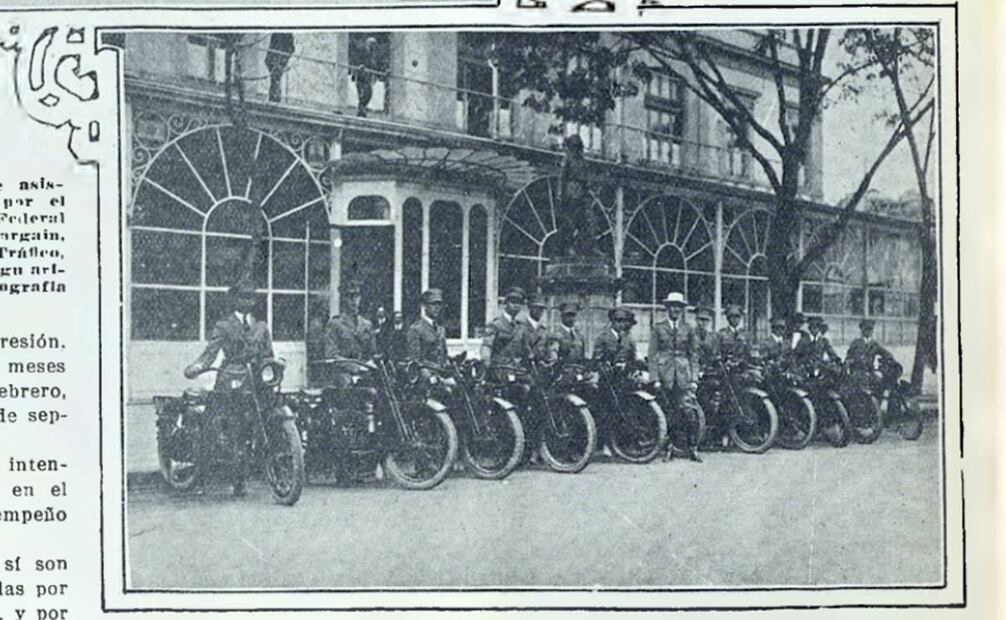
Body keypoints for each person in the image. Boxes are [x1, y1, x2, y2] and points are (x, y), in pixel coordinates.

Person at [183, 282, 273, 496]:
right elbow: (211, 352)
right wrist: (197, 367)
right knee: (215, 424)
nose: (247, 301)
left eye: (250, 297)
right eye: (242, 297)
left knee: (264, 417)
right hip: (230, 379)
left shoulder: (261, 326)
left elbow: (269, 353)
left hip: (255, 381)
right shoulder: (224, 325)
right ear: (234, 300)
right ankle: (202, 477)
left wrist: (273, 366)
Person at [648, 291, 702, 462]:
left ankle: (692, 447)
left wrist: (694, 379)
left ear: (682, 310)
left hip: (684, 375)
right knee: (668, 413)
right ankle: (669, 448)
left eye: (678, 307)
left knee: (689, 412)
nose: (675, 310)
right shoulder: (658, 328)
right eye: (672, 307)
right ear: (667, 309)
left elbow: (694, 355)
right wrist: (655, 378)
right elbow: (652, 354)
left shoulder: (689, 329)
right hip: (665, 376)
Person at [324, 279, 377, 386]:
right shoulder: (335, 324)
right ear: (343, 299)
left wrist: (371, 363)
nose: (354, 300)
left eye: (357, 296)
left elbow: (372, 353)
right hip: (343, 375)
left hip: (366, 374)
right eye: (350, 296)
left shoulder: (367, 325)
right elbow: (331, 355)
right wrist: (356, 367)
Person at [556, 134, 601, 257]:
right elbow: (562, 177)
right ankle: (569, 247)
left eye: (578, 146)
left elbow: (587, 178)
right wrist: (560, 194)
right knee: (570, 221)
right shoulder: (568, 160)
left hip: (582, 192)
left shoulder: (583, 161)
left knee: (589, 220)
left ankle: (590, 247)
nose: (576, 149)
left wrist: (590, 186)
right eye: (574, 146)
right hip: (572, 191)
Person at [481, 287, 528, 368]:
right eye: (513, 302)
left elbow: (526, 349)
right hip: (499, 369)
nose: (516, 306)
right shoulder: (495, 325)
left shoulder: (521, 327)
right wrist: (486, 360)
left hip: (517, 369)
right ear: (505, 304)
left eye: (519, 303)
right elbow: (486, 346)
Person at [406, 289, 449, 368]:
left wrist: (447, 363)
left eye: (439, 304)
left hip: (442, 372)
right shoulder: (416, 329)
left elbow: (444, 355)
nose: (437, 307)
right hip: (425, 373)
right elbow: (416, 359)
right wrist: (435, 367)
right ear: (424, 306)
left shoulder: (441, 329)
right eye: (433, 304)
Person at [352, 36, 381, 117]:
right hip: (361, 76)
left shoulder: (372, 54)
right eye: (373, 44)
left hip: (367, 77)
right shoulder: (362, 50)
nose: (374, 47)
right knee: (362, 93)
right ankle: (361, 110)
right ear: (369, 43)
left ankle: (362, 109)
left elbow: (374, 65)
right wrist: (359, 66)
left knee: (368, 93)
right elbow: (356, 60)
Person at [265, 32, 294, 103]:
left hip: (278, 59)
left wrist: (283, 59)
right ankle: (274, 98)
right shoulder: (278, 33)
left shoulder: (286, 34)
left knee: (275, 79)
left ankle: (275, 98)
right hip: (275, 59)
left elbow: (291, 48)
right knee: (275, 79)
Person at [522, 293, 549, 361]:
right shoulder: (521, 327)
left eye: (541, 309)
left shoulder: (544, 331)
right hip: (523, 367)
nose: (539, 311)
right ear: (530, 308)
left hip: (539, 368)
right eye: (535, 308)